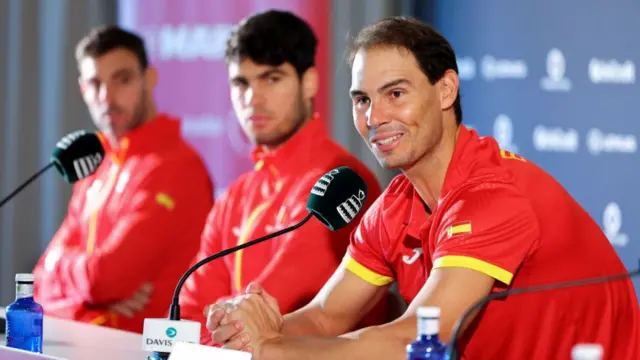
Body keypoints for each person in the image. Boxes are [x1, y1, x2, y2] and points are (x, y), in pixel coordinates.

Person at [204, 16, 640, 359]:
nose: (374, 118)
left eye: (395, 94)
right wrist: (251, 331)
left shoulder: (491, 193)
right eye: (362, 100)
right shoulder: (395, 205)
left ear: (446, 89)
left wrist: (272, 348)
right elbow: (324, 317)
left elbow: (412, 341)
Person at [177, 10, 389, 345]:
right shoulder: (236, 195)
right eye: (241, 83)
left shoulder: (340, 184)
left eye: (272, 79)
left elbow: (271, 313)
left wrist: (200, 344)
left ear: (309, 83)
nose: (253, 99)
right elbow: (185, 310)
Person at [32, 26, 214, 333]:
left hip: (149, 348)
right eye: (95, 83)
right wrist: (87, 298)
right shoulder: (96, 166)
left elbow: (105, 279)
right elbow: (39, 280)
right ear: (82, 89)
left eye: (122, 79)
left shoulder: (176, 167)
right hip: (84, 343)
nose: (107, 97)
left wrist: (77, 280)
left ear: (150, 79)